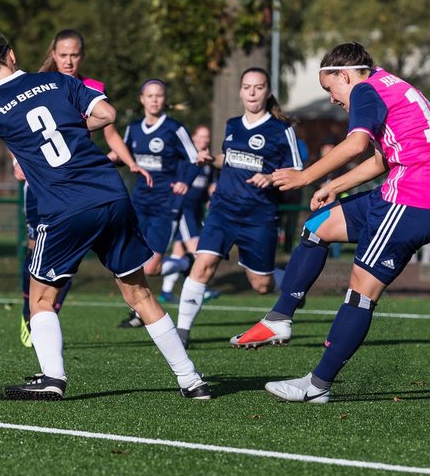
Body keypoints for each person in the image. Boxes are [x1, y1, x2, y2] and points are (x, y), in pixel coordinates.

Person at [0, 29, 209, 401]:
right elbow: (107, 114)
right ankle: (191, 380)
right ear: (14, 55)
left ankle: (53, 377)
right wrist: (71, 130)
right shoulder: (58, 80)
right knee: (139, 294)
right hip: (111, 194)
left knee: (40, 299)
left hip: (66, 207)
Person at [230, 42, 430, 404]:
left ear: (344, 75)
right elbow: (382, 159)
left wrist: (304, 177)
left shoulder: (365, 89)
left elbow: (356, 145)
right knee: (318, 226)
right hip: (399, 191)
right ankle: (279, 318)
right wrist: (332, 186)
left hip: (411, 199)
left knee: (360, 291)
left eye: (329, 89)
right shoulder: (388, 86)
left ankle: (317, 384)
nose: (332, 99)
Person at [14, 30, 149, 345]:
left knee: (68, 253)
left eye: (74, 54)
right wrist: (16, 160)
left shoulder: (91, 89)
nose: (68, 60)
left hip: (76, 185)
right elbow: (16, 128)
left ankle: (47, 313)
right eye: (63, 54)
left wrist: (131, 162)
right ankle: (28, 312)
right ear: (54, 54)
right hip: (41, 183)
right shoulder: (39, 85)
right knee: (36, 249)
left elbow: (112, 133)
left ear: (81, 56)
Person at [172, 67, 303, 348]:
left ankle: (292, 288)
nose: (252, 92)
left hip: (259, 216)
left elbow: (297, 171)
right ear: (241, 91)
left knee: (261, 286)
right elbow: (229, 159)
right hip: (223, 210)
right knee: (203, 264)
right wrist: (211, 160)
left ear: (268, 92)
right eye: (247, 87)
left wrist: (270, 177)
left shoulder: (281, 130)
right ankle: (181, 333)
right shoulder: (233, 124)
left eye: (258, 87)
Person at [109, 79, 205, 328]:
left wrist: (185, 181)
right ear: (142, 99)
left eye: (159, 95)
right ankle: (140, 312)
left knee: (151, 268)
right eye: (149, 95)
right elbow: (125, 156)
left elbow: (195, 160)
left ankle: (185, 263)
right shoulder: (133, 129)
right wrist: (103, 160)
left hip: (166, 204)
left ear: (164, 99)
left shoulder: (174, 129)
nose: (154, 99)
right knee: (133, 260)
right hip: (139, 201)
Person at [159, 124, 217, 304]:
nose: (204, 140)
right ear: (192, 138)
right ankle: (201, 287)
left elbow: (211, 186)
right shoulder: (184, 157)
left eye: (207, 137)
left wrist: (213, 198)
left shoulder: (208, 161)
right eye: (200, 136)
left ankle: (166, 291)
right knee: (197, 249)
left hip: (196, 210)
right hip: (182, 209)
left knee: (179, 252)